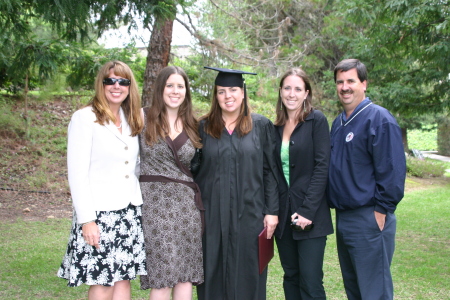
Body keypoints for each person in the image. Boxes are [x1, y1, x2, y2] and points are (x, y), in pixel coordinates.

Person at [57, 60, 146, 300]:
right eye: (110, 80)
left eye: (123, 81)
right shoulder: (84, 118)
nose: (117, 86)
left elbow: (135, 165)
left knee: (123, 279)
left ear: (129, 86)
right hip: (99, 213)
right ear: (101, 84)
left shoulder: (133, 118)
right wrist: (87, 220)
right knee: (103, 281)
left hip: (128, 211)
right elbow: (76, 173)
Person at [194, 66, 279, 300]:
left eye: (233, 90)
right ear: (215, 95)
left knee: (250, 273)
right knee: (212, 272)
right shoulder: (202, 127)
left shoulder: (261, 126)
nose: (227, 96)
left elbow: (270, 172)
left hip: (250, 214)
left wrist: (272, 211)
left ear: (243, 92)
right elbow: (192, 170)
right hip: (212, 216)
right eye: (221, 91)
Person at [327, 59, 406, 300]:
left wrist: (381, 210)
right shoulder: (338, 124)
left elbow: (392, 171)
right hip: (344, 218)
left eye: (351, 81)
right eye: (340, 82)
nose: (344, 87)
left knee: (374, 291)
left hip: (369, 216)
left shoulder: (378, 118)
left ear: (364, 84)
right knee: (355, 289)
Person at [138, 66, 204, 300]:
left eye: (180, 86)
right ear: (160, 89)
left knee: (185, 275)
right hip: (154, 206)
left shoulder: (194, 125)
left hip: (187, 208)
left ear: (186, 91)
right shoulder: (142, 117)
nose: (175, 91)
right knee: (163, 274)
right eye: (170, 85)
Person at [273, 68, 333, 300]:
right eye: (287, 88)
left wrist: (307, 211)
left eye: (298, 89)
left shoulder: (316, 120)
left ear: (306, 93)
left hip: (311, 214)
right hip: (283, 214)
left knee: (310, 280)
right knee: (291, 276)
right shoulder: (276, 126)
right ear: (280, 91)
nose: (291, 94)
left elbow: (322, 167)